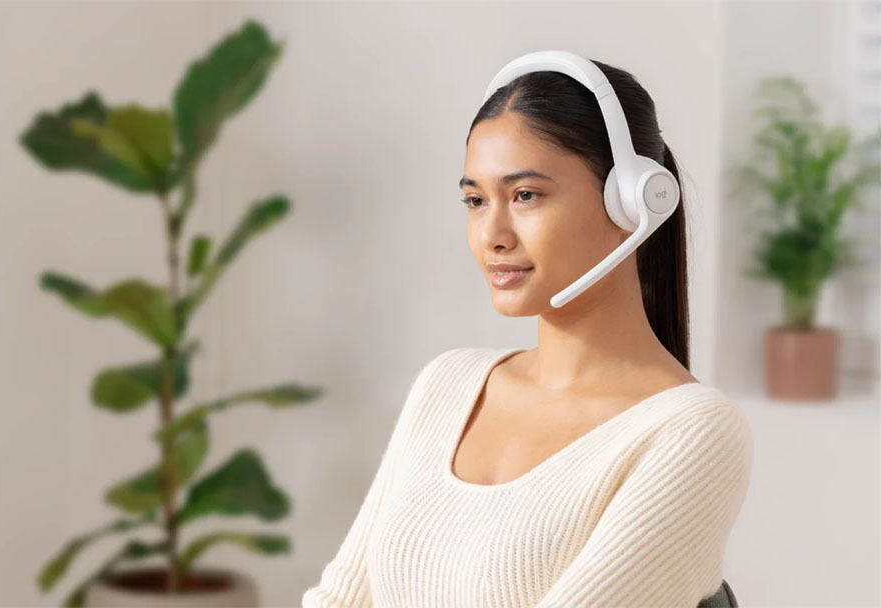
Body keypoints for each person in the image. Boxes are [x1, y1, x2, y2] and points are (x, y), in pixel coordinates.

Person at [301, 55, 752, 608]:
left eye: (525, 196)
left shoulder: (691, 431)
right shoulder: (449, 383)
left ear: (633, 202)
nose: (492, 234)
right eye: (475, 200)